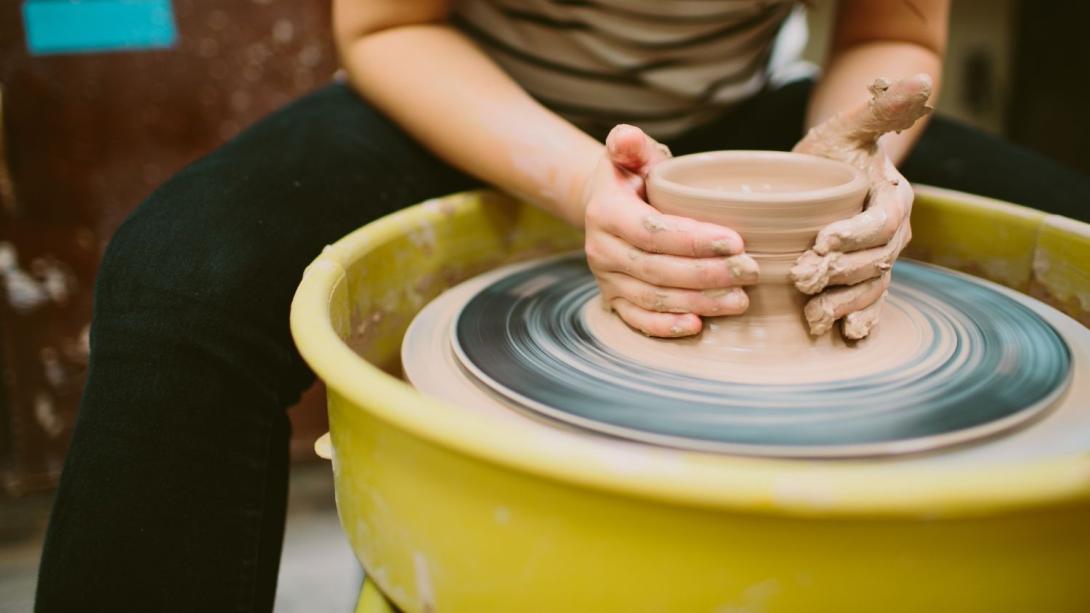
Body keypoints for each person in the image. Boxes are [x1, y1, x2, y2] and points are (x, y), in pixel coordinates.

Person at [35, 0, 1090, 610]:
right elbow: (391, 23)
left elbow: (886, 32)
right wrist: (582, 181)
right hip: (468, 93)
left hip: (744, 114)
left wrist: (847, 162)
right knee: (180, 282)